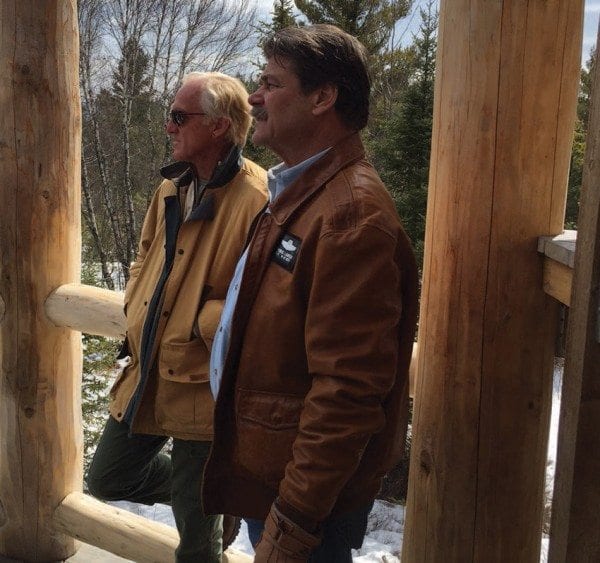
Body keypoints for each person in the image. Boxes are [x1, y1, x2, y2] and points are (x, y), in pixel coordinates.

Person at [203, 24, 419, 563]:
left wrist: (293, 523)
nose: (253, 96)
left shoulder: (350, 217)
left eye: (271, 83)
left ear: (323, 98)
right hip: (277, 479)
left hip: (305, 504)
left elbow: (346, 392)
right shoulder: (298, 192)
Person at [85, 71, 268, 563]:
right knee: (106, 477)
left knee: (195, 544)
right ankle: (213, 497)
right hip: (146, 368)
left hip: (199, 382)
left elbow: (259, 300)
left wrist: (201, 323)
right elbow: (145, 256)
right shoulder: (172, 187)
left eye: (179, 117)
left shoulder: (256, 198)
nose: (168, 126)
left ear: (219, 127)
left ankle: (206, 498)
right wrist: (135, 301)